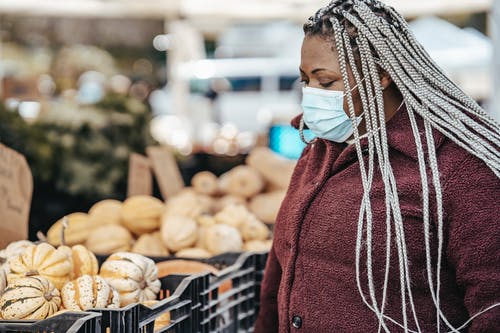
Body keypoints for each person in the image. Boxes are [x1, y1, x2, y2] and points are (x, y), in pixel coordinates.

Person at [253, 0, 500, 332]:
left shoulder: (457, 167)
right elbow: (279, 273)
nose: (310, 94)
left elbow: (492, 306)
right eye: (304, 80)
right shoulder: (319, 151)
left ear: (381, 74)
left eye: (325, 82)